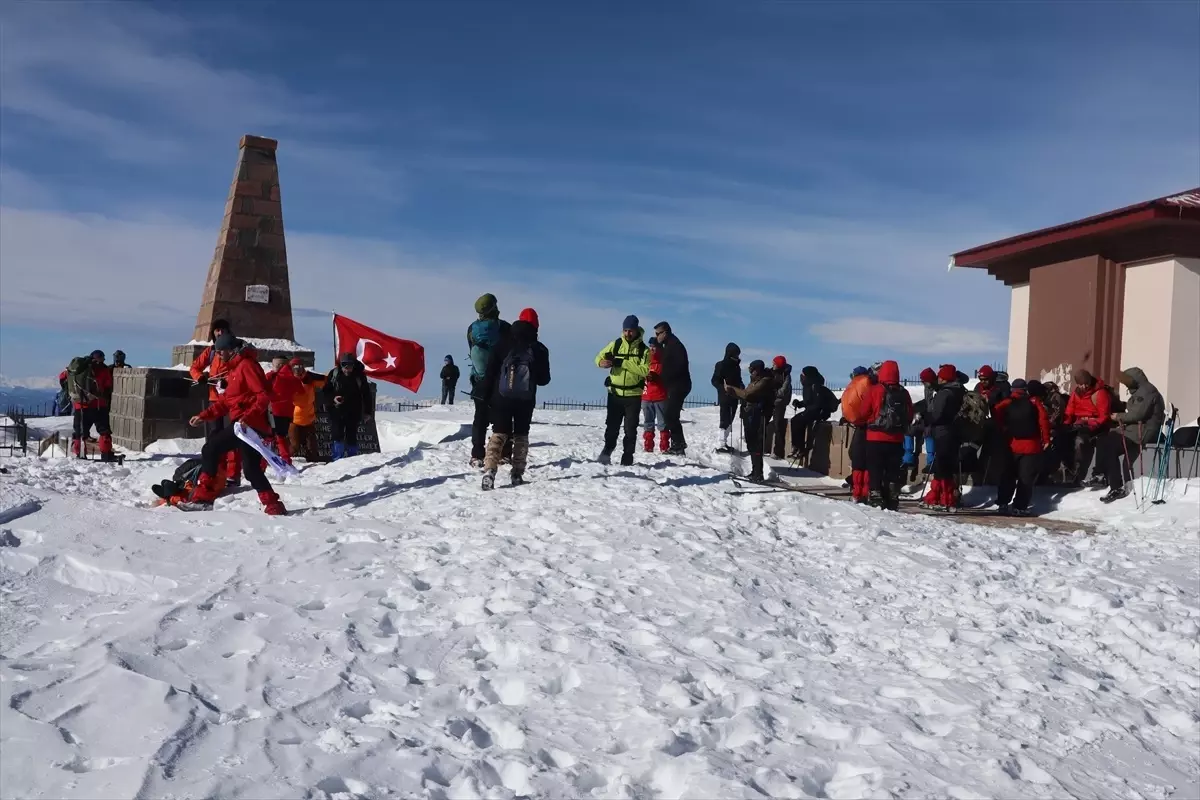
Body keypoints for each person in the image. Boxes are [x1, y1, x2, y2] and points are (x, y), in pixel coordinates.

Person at [186, 332, 286, 515]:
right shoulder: (234, 369)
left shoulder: (247, 366)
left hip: (249, 426)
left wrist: (247, 417)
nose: (218, 355)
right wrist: (204, 416)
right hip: (244, 426)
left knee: (211, 449)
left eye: (220, 352)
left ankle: (203, 498)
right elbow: (226, 402)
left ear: (230, 350)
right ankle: (274, 505)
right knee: (251, 470)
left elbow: (264, 396)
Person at [477, 308, 551, 490]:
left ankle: (489, 470)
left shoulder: (502, 343)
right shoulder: (539, 348)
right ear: (536, 325)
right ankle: (517, 472)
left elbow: (491, 372)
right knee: (521, 435)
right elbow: (544, 380)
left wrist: (484, 395)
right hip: (525, 399)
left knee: (499, 433)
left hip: (501, 397)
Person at [190, 319, 257, 486]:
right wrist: (201, 377)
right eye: (216, 330)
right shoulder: (211, 351)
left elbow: (240, 371)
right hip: (215, 399)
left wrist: (229, 381)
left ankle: (232, 475)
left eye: (222, 330)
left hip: (234, 400)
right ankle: (216, 470)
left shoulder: (236, 350)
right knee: (214, 437)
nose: (219, 333)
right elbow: (194, 368)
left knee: (233, 437)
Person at [1097, 367, 1165, 503]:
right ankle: (1100, 475)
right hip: (1134, 429)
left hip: (1143, 431)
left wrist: (1118, 417)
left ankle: (1116, 485)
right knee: (1104, 440)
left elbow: (1138, 414)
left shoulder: (1147, 392)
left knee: (1109, 446)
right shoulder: (1141, 390)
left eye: (1127, 383)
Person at [596, 316, 650, 465]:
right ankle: (607, 451)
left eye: (630, 331)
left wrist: (623, 362)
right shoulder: (616, 344)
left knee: (630, 430)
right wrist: (602, 363)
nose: (627, 334)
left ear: (636, 330)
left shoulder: (644, 350)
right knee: (612, 427)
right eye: (625, 330)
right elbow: (598, 358)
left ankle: (627, 458)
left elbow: (645, 370)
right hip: (615, 394)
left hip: (633, 396)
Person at [993, 379, 1051, 515]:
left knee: (1008, 476)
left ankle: (1002, 503)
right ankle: (1020, 507)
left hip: (1012, 445)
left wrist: (1003, 429)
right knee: (1026, 478)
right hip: (1032, 446)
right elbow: (1043, 421)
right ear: (1026, 390)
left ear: (1013, 389)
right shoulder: (1034, 402)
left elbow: (996, 413)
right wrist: (1046, 439)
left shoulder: (1007, 402)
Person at [467, 294, 512, 467]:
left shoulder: (472, 329)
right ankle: (504, 452)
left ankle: (477, 454)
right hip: (501, 379)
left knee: (480, 417)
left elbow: (471, 349)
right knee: (503, 418)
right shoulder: (505, 328)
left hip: (479, 378)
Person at [862, 360, 913, 510]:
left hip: (875, 438)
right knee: (893, 469)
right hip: (896, 439)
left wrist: (868, 421)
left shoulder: (875, 390)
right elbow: (909, 414)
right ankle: (892, 496)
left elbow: (863, 412)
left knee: (875, 468)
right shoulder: (904, 392)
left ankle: (876, 496)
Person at [59, 349, 117, 462]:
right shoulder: (103, 369)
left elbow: (62, 377)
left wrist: (68, 390)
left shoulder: (76, 369)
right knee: (104, 431)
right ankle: (106, 455)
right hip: (99, 405)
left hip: (80, 406)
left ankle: (80, 454)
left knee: (80, 432)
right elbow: (108, 385)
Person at [921, 364, 966, 511]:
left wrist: (924, 416)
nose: (938, 378)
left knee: (942, 467)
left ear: (944, 378)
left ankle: (945, 500)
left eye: (940, 376)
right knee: (947, 466)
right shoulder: (959, 390)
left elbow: (936, 415)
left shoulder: (944, 393)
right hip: (955, 432)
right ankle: (943, 497)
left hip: (943, 432)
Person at [725, 360, 775, 482]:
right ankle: (755, 471)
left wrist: (733, 389)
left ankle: (758, 474)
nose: (750, 373)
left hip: (759, 415)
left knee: (756, 444)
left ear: (757, 370)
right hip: (751, 414)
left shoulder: (765, 381)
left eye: (751, 370)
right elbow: (746, 395)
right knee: (751, 443)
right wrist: (734, 393)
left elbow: (748, 394)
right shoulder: (756, 381)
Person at [1063, 368, 1113, 487]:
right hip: (1079, 424)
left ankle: (1078, 475)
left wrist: (1090, 425)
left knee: (1080, 442)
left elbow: (1104, 416)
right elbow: (1070, 410)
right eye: (1081, 384)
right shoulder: (1076, 394)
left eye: (1086, 383)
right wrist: (1065, 424)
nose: (1084, 386)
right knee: (1062, 440)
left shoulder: (1100, 393)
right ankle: (1065, 471)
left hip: (1096, 426)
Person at [324, 352, 373, 460]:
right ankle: (337, 458)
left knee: (352, 435)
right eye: (344, 365)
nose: (347, 368)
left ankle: (352, 460)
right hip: (337, 411)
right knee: (337, 435)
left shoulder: (359, 376)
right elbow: (326, 391)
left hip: (353, 410)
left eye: (350, 365)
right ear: (341, 365)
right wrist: (333, 398)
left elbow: (366, 394)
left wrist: (367, 412)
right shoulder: (334, 374)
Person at [653, 321, 691, 456]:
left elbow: (677, 367)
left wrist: (662, 377)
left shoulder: (675, 346)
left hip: (679, 385)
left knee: (670, 415)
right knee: (671, 415)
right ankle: (678, 443)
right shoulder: (668, 345)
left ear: (665, 332)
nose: (657, 336)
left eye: (658, 334)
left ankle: (678, 444)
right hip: (674, 385)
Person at [840, 366, 874, 503]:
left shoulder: (852, 385)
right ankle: (865, 492)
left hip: (858, 425)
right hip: (870, 426)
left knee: (857, 459)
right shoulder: (868, 383)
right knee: (867, 462)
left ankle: (857, 492)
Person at [789, 366, 833, 465]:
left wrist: (808, 410)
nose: (801, 376)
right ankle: (797, 446)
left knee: (798, 420)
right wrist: (799, 404)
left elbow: (818, 403)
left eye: (803, 374)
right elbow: (808, 401)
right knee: (795, 420)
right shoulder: (807, 385)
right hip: (811, 410)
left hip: (818, 412)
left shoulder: (815, 386)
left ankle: (799, 447)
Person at [287, 358, 327, 461]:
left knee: (312, 447)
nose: (298, 370)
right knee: (294, 446)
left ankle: (314, 467)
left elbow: (326, 381)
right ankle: (286, 463)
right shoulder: (288, 380)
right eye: (295, 367)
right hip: (294, 420)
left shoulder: (309, 379)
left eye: (300, 367)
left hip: (308, 419)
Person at [265, 356, 303, 464]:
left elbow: (261, 387)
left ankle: (265, 461)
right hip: (288, 412)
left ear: (280, 365)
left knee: (270, 437)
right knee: (281, 436)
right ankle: (285, 459)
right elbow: (301, 391)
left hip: (273, 411)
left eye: (275, 365)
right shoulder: (293, 378)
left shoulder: (272, 376)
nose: (273, 367)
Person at [904, 367, 938, 482]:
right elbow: (927, 403)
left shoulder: (935, 389)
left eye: (924, 381)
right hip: (925, 417)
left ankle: (930, 462)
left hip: (932, 420)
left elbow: (933, 405)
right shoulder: (928, 388)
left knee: (928, 435)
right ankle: (908, 459)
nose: (923, 383)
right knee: (909, 431)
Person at [711, 343, 743, 453]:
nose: (737, 356)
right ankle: (721, 443)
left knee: (731, 419)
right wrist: (722, 388)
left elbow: (739, 380)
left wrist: (742, 389)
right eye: (736, 354)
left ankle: (725, 442)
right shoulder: (721, 365)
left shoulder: (736, 366)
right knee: (724, 418)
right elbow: (715, 380)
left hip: (735, 395)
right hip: (724, 395)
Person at [641, 338, 669, 453]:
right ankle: (648, 445)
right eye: (650, 346)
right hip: (646, 396)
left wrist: (658, 378)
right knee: (648, 422)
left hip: (660, 396)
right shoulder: (645, 362)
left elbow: (668, 379)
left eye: (654, 346)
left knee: (662, 423)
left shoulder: (664, 363)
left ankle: (664, 446)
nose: (652, 349)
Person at [770, 356, 792, 460]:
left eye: (774, 363)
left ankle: (778, 452)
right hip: (769, 400)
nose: (772, 365)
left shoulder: (786, 375)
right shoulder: (770, 372)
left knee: (778, 425)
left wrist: (773, 393)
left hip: (780, 402)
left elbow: (783, 391)